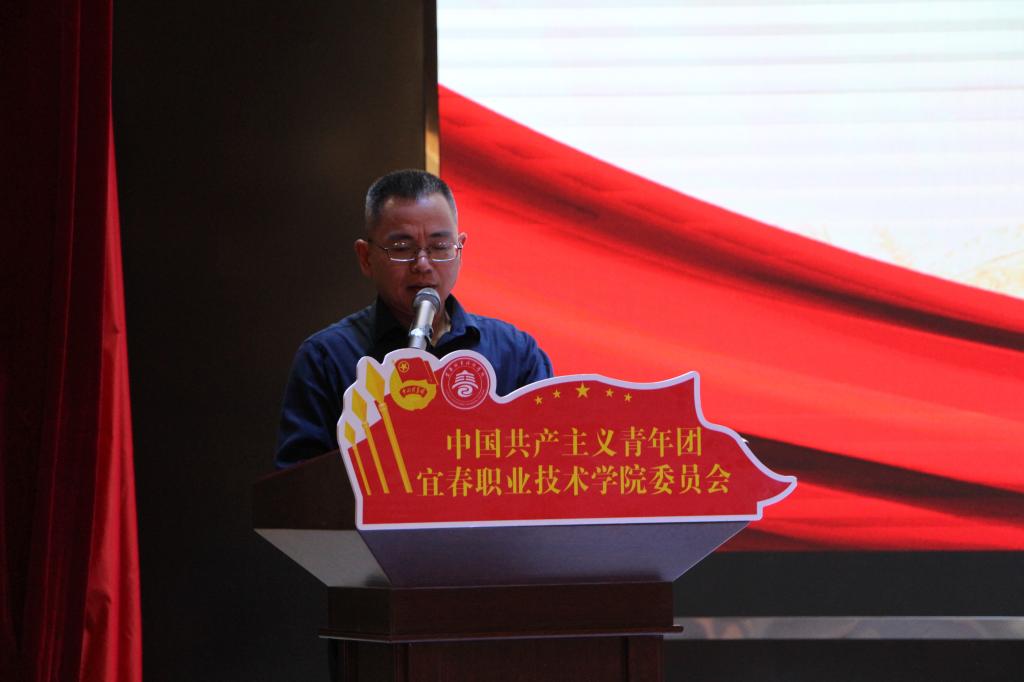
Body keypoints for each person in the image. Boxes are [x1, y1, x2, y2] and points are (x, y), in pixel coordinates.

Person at [275, 169, 553, 467]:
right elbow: (300, 485)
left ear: (460, 250)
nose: (422, 264)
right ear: (366, 258)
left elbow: (551, 458)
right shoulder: (326, 358)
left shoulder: (515, 353)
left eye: (439, 247)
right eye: (402, 248)